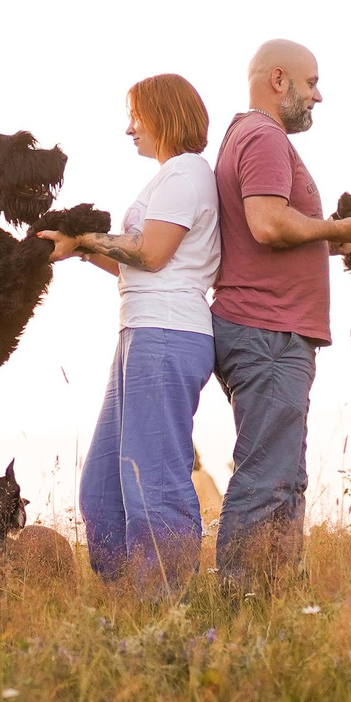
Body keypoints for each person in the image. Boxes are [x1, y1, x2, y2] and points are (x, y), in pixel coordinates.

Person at [207, 39, 351, 589]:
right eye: (311, 84)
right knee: (266, 478)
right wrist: (337, 229)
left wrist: (324, 243)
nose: (318, 96)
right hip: (268, 332)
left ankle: (277, 600)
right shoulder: (264, 136)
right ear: (278, 79)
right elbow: (269, 225)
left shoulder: (245, 135)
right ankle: (241, 603)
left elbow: (261, 233)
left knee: (285, 478)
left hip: (270, 331)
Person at [42, 74, 222, 589]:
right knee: (102, 487)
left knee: (153, 481)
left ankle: (162, 604)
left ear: (163, 115)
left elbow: (150, 253)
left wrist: (85, 234)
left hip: (168, 333)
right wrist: (76, 248)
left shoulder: (186, 175)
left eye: (136, 117)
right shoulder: (169, 178)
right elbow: (134, 266)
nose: (129, 129)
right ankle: (125, 600)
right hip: (141, 331)